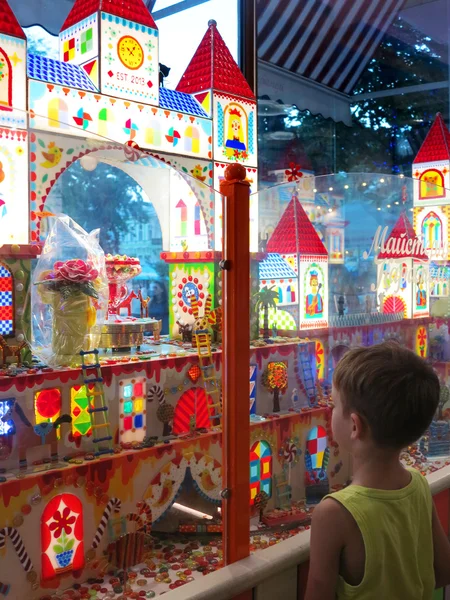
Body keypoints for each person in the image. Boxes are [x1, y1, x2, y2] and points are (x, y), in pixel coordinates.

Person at [305, 342, 450, 600]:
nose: (330, 410)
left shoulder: (333, 513)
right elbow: (443, 570)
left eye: (335, 405)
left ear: (354, 426)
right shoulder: (417, 485)